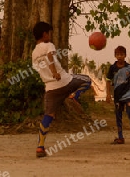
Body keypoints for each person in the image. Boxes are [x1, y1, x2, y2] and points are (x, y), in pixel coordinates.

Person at [32, 21, 92, 157]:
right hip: (65, 81)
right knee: (87, 80)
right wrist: (54, 71)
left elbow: (39, 68)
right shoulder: (48, 45)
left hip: (50, 88)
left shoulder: (34, 53)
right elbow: (50, 57)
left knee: (48, 116)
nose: (51, 36)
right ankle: (74, 97)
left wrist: (48, 75)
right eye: (49, 33)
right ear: (44, 34)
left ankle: (40, 147)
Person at [106, 45, 130, 144]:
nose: (120, 56)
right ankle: (120, 137)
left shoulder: (129, 67)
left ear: (125, 55)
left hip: (128, 94)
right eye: (118, 55)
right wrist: (108, 94)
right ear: (115, 56)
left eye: (121, 54)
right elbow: (108, 81)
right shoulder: (112, 68)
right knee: (118, 116)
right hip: (117, 96)